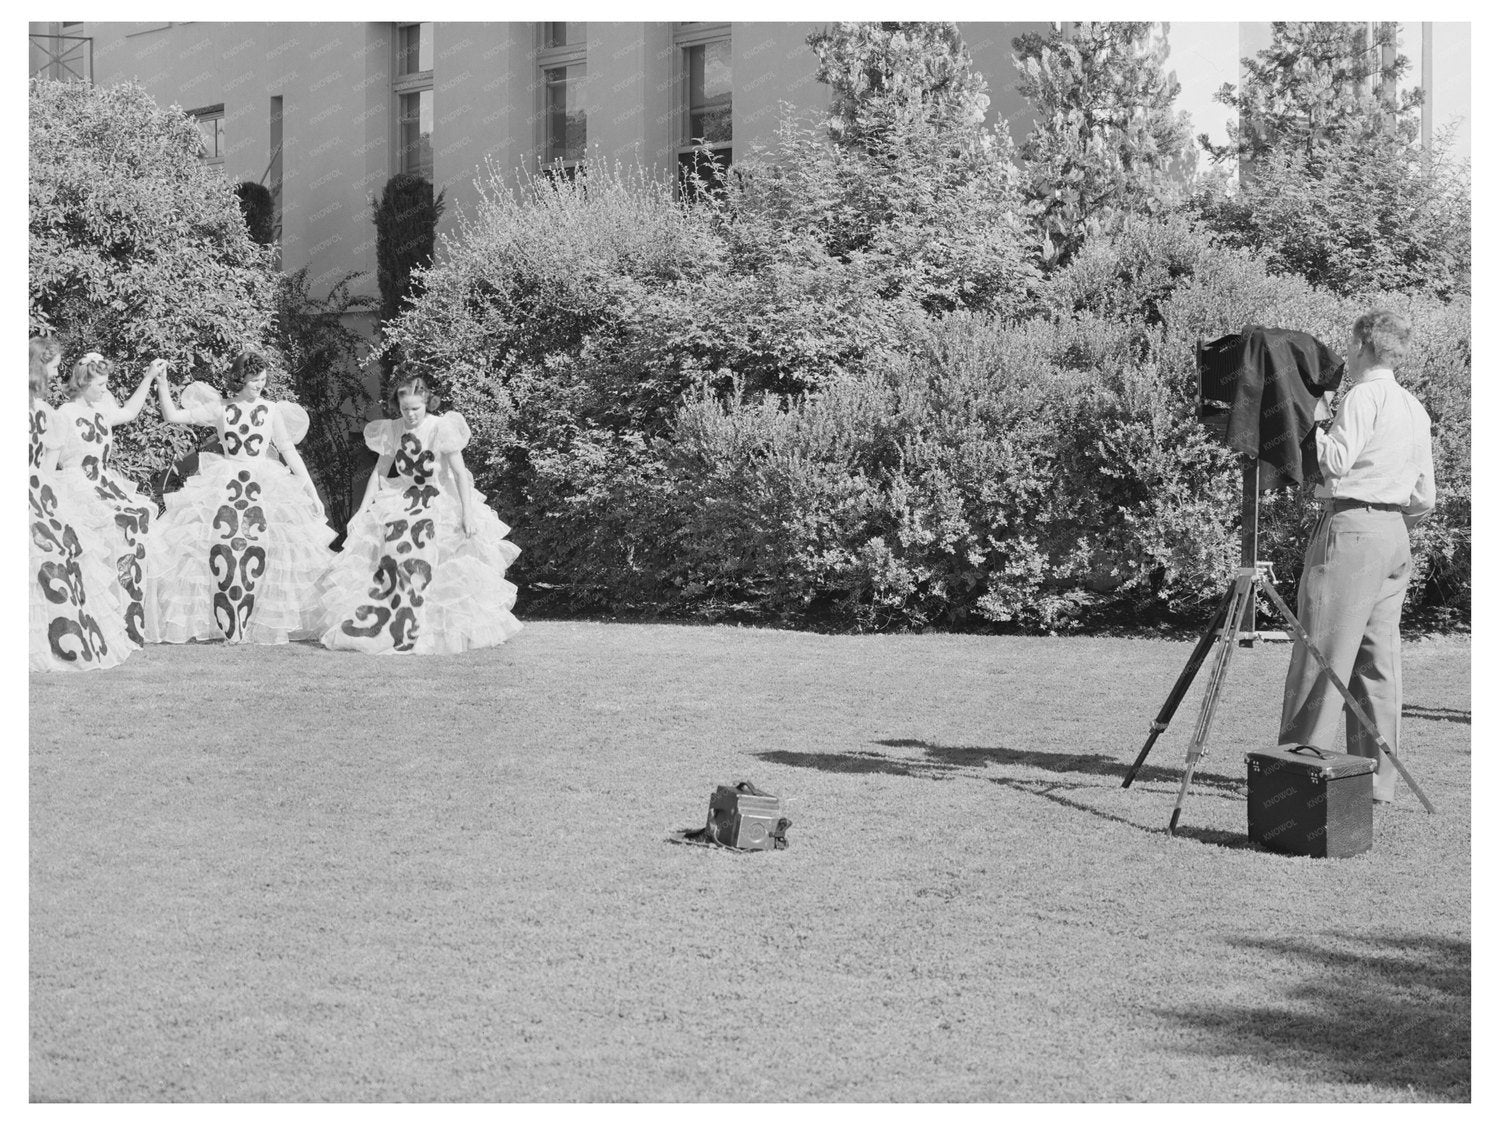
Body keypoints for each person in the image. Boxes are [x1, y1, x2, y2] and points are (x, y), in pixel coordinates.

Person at [1279, 309, 1436, 804]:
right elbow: (1426, 496)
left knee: (1322, 650)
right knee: (1378, 661)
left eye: (1350, 342)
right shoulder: (1414, 406)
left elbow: (1335, 461)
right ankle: (1375, 781)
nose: (1345, 352)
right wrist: (1390, 524)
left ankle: (1297, 770)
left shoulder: (1363, 395)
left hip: (1353, 528)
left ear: (1365, 343)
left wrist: (1310, 421)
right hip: (1395, 534)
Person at [317, 373, 522, 654]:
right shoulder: (392, 430)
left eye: (416, 409)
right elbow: (378, 473)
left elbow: (460, 474)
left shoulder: (441, 428)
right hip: (402, 499)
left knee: (439, 560)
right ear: (397, 407)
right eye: (405, 409)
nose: (411, 415)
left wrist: (468, 513)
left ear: (427, 404)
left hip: (439, 499)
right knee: (389, 550)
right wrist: (362, 511)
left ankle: (436, 631)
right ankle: (391, 623)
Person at [144, 350, 335, 644]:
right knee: (218, 548)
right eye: (253, 379)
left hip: (267, 482)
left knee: (272, 548)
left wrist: (311, 490)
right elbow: (172, 416)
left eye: (262, 378)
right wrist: (162, 383)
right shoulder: (221, 408)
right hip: (225, 480)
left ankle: (259, 622)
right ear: (240, 378)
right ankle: (225, 622)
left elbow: (288, 451)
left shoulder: (271, 410)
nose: (259, 384)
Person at [28, 336, 137, 672]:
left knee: (61, 555)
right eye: (55, 365)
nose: (58, 372)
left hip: (37, 493)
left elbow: (45, 469)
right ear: (38, 367)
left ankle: (62, 642)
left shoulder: (45, 411)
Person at [55, 351, 160, 647]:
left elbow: (129, 412)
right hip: (77, 485)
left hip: (104, 482)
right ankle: (100, 623)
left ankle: (130, 624)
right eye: (100, 384)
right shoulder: (64, 414)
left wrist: (149, 377)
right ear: (83, 383)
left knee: (136, 523)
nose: (105, 389)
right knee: (98, 546)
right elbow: (52, 457)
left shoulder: (100, 410)